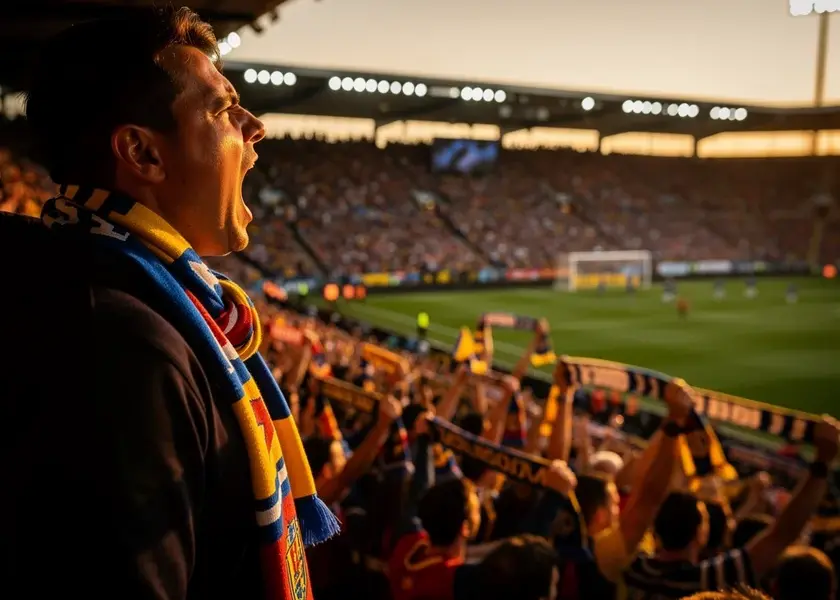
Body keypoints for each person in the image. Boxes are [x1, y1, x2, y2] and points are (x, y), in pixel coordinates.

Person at [2, 7, 336, 599]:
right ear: (143, 153)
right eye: (221, 108)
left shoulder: (96, 286)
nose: (253, 125)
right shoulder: (120, 348)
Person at [623, 416, 840, 599]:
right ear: (701, 533)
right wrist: (823, 461)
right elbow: (780, 536)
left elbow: (648, 498)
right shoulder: (708, 580)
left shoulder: (634, 569)